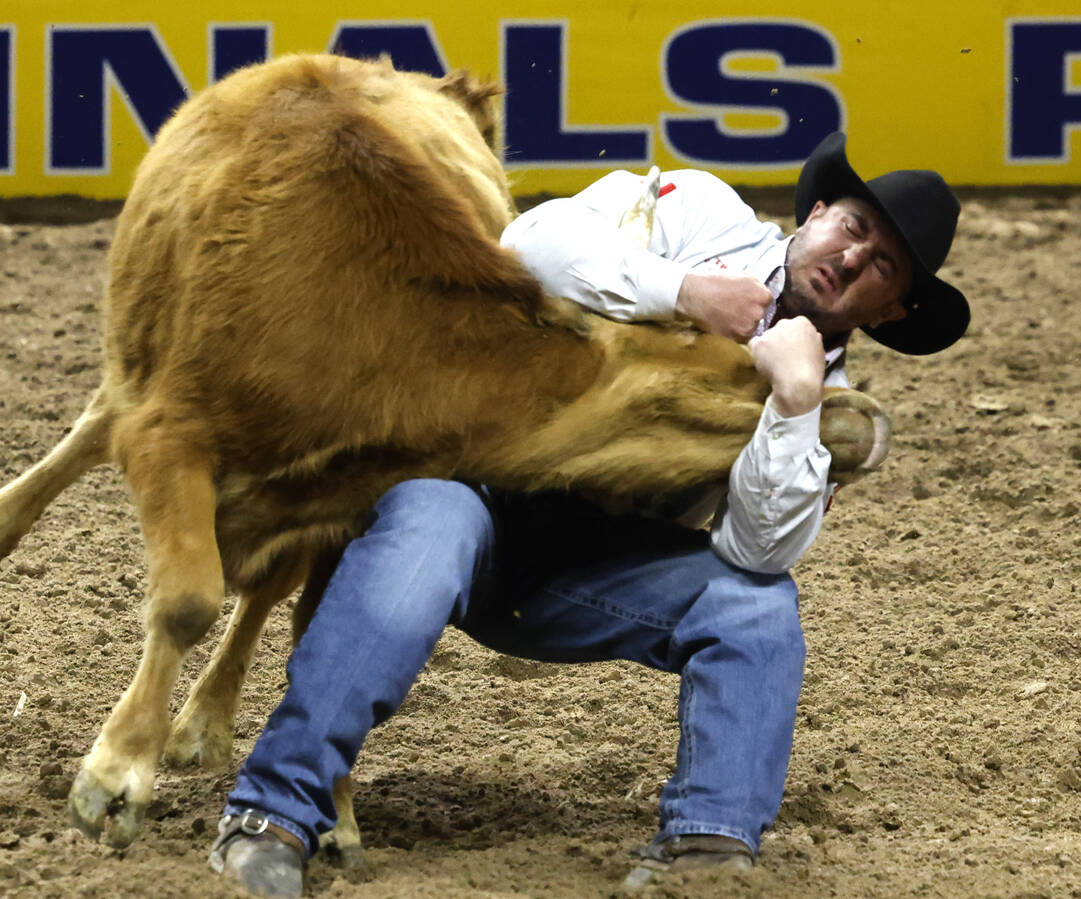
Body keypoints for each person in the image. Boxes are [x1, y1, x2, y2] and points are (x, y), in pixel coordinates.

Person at [207, 132, 970, 896]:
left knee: (757, 607)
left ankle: (706, 853)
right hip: (474, 481)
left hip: (594, 566)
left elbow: (756, 552)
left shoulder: (830, 412)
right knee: (428, 535)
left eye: (883, 265)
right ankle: (273, 813)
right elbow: (531, 244)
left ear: (891, 311)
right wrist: (683, 291)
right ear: (816, 212)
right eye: (854, 227)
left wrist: (794, 403)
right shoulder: (702, 213)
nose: (851, 258)